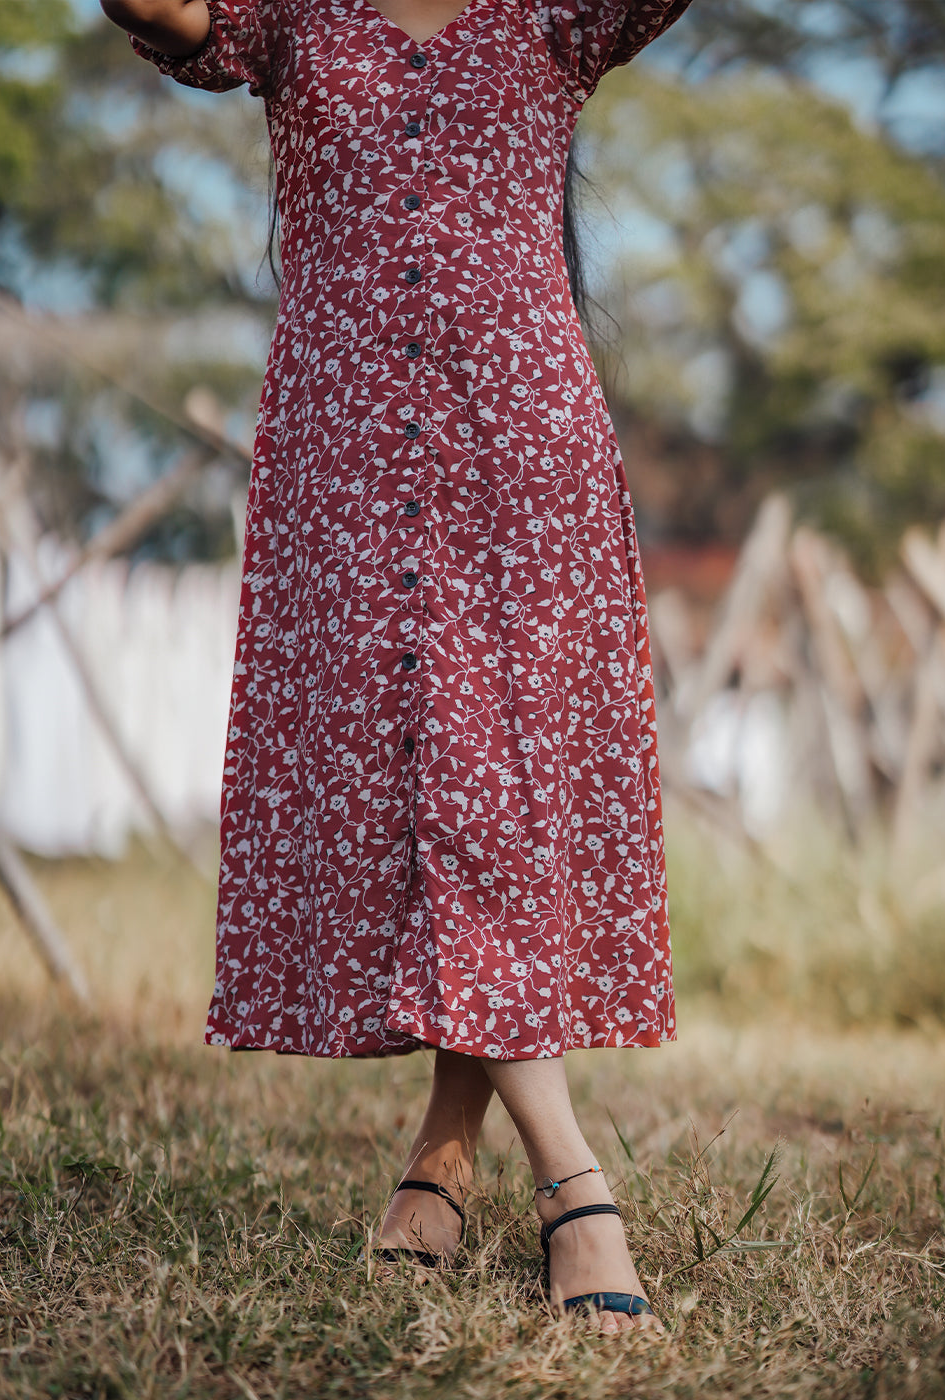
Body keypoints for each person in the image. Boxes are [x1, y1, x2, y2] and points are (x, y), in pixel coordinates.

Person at [101, 0, 692, 1336]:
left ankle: (499, 1162)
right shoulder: (291, 22)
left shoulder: (555, 14)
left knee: (485, 789)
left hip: (518, 454)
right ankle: (546, 1164)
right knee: (411, 789)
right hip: (348, 451)